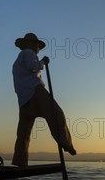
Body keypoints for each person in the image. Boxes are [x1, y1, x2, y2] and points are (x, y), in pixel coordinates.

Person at [12, 32, 76, 167]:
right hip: (34, 91)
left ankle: (20, 161)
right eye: (37, 45)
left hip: (23, 100)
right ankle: (65, 142)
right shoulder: (28, 53)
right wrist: (43, 62)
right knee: (56, 113)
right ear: (31, 45)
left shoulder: (17, 62)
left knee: (23, 133)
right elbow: (33, 66)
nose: (38, 49)